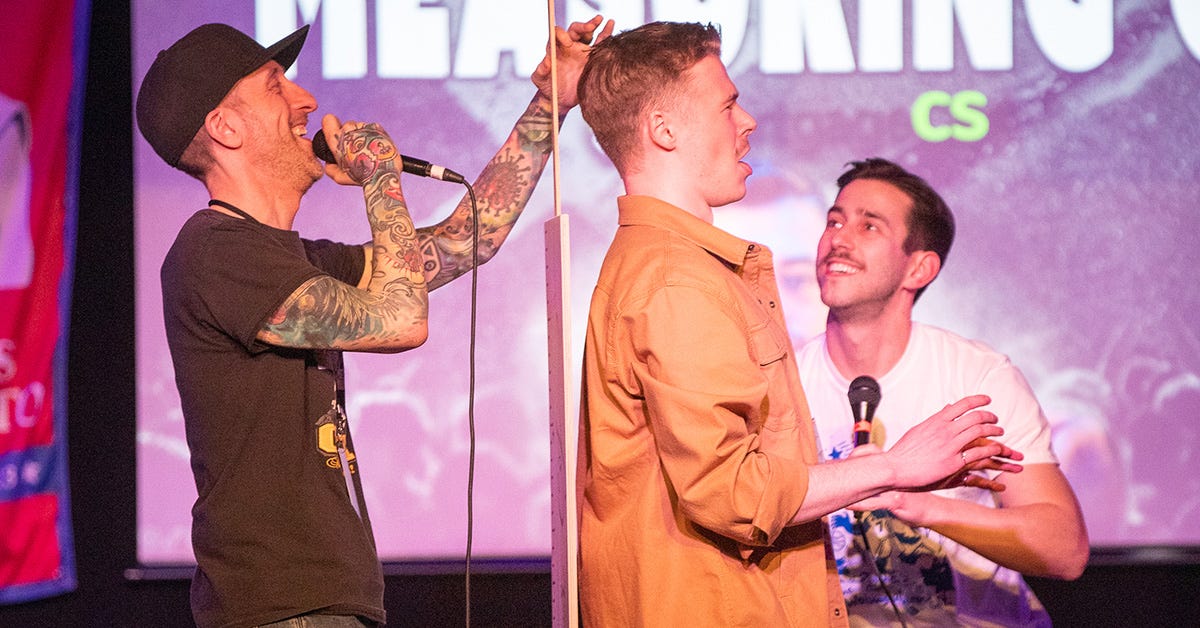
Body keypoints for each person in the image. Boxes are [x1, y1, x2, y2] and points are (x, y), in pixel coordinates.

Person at [136, 16, 612, 628]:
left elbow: (469, 239)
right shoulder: (214, 253)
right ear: (225, 127)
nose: (307, 100)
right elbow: (401, 320)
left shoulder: (295, 260)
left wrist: (549, 104)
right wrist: (381, 178)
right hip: (285, 609)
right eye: (277, 85)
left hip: (320, 604)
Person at [574, 22, 1023, 627]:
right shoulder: (679, 282)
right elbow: (737, 494)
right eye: (727, 105)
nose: (747, 121)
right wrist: (895, 466)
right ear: (664, 129)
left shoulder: (675, 268)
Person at [795, 158, 1089, 626]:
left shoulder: (976, 378)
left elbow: (1064, 550)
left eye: (869, 226)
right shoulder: (783, 382)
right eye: (835, 221)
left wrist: (912, 502)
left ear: (919, 268)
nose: (839, 239)